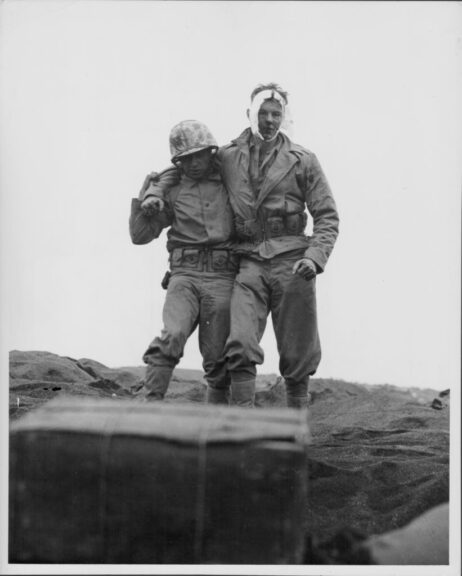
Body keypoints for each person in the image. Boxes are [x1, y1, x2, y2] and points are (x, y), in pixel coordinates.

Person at [218, 83, 339, 408]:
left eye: (276, 113)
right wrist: (156, 192)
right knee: (240, 342)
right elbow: (190, 175)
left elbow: (327, 216)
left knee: (298, 351)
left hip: (293, 262)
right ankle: (241, 430)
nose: (269, 120)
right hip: (249, 262)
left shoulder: (303, 160)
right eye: (263, 112)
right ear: (249, 113)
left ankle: (294, 430)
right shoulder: (226, 157)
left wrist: (315, 258)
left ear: (284, 117)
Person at [129, 120, 238, 404]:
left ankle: (216, 429)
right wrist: (146, 198)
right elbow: (140, 236)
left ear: (211, 153)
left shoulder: (231, 185)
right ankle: (150, 408)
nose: (193, 163)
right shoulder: (173, 191)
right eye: (185, 159)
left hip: (222, 276)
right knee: (172, 336)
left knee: (217, 357)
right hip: (184, 276)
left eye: (198, 155)